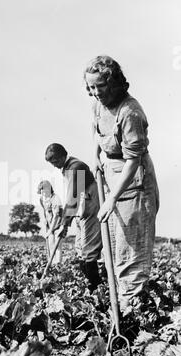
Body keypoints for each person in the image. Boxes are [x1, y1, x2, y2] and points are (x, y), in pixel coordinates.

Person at [84, 55, 160, 312]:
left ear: (114, 83)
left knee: (131, 252)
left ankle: (134, 318)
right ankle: (121, 309)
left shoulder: (130, 112)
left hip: (134, 182)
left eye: (100, 87)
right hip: (110, 175)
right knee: (113, 251)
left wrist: (112, 198)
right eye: (91, 88)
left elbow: (133, 160)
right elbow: (96, 129)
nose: (95, 93)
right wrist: (96, 154)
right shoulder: (98, 105)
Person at [45, 144, 102, 291]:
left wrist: (64, 224)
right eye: (52, 163)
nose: (55, 166)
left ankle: (95, 289)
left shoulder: (76, 167)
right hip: (81, 210)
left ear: (64, 155)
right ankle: (86, 285)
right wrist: (67, 221)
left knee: (89, 249)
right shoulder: (68, 168)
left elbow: (73, 197)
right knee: (80, 248)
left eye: (56, 161)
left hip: (90, 208)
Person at [37, 180, 63, 265]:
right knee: (51, 245)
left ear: (49, 189)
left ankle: (58, 264)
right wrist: (45, 220)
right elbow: (45, 210)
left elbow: (56, 216)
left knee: (57, 246)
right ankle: (52, 264)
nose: (42, 193)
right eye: (41, 191)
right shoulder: (42, 199)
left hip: (58, 224)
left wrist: (50, 230)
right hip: (49, 224)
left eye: (44, 191)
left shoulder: (55, 199)